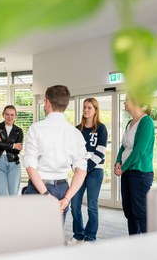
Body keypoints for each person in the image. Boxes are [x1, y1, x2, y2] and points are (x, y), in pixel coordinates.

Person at [23, 85, 88, 221]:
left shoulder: (36, 129)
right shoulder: (76, 134)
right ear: (67, 104)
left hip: (38, 188)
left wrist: (46, 195)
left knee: (31, 238)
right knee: (54, 237)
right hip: (62, 190)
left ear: (47, 102)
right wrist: (67, 198)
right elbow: (81, 171)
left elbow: (30, 166)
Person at [67, 98, 108, 245]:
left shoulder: (101, 128)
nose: (86, 110)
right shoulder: (77, 129)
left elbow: (101, 152)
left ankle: (90, 237)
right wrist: (76, 167)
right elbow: (72, 151)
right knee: (75, 203)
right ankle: (78, 234)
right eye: (84, 107)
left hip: (95, 170)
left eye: (89, 108)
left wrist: (86, 167)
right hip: (80, 170)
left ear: (95, 110)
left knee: (92, 205)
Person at [114, 94, 155, 235]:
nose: (124, 103)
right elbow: (123, 146)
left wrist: (123, 168)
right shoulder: (129, 123)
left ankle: (150, 245)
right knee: (129, 212)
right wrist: (117, 162)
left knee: (140, 212)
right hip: (127, 173)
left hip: (140, 174)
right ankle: (135, 244)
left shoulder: (146, 122)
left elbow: (139, 151)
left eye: (127, 100)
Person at [0, 105, 24, 196]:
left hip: (14, 164)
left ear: (15, 116)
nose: (9, 117)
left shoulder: (19, 131)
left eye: (12, 115)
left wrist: (2, 142)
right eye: (7, 114)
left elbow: (17, 150)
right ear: (3, 115)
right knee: (1, 195)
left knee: (12, 195)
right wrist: (13, 145)